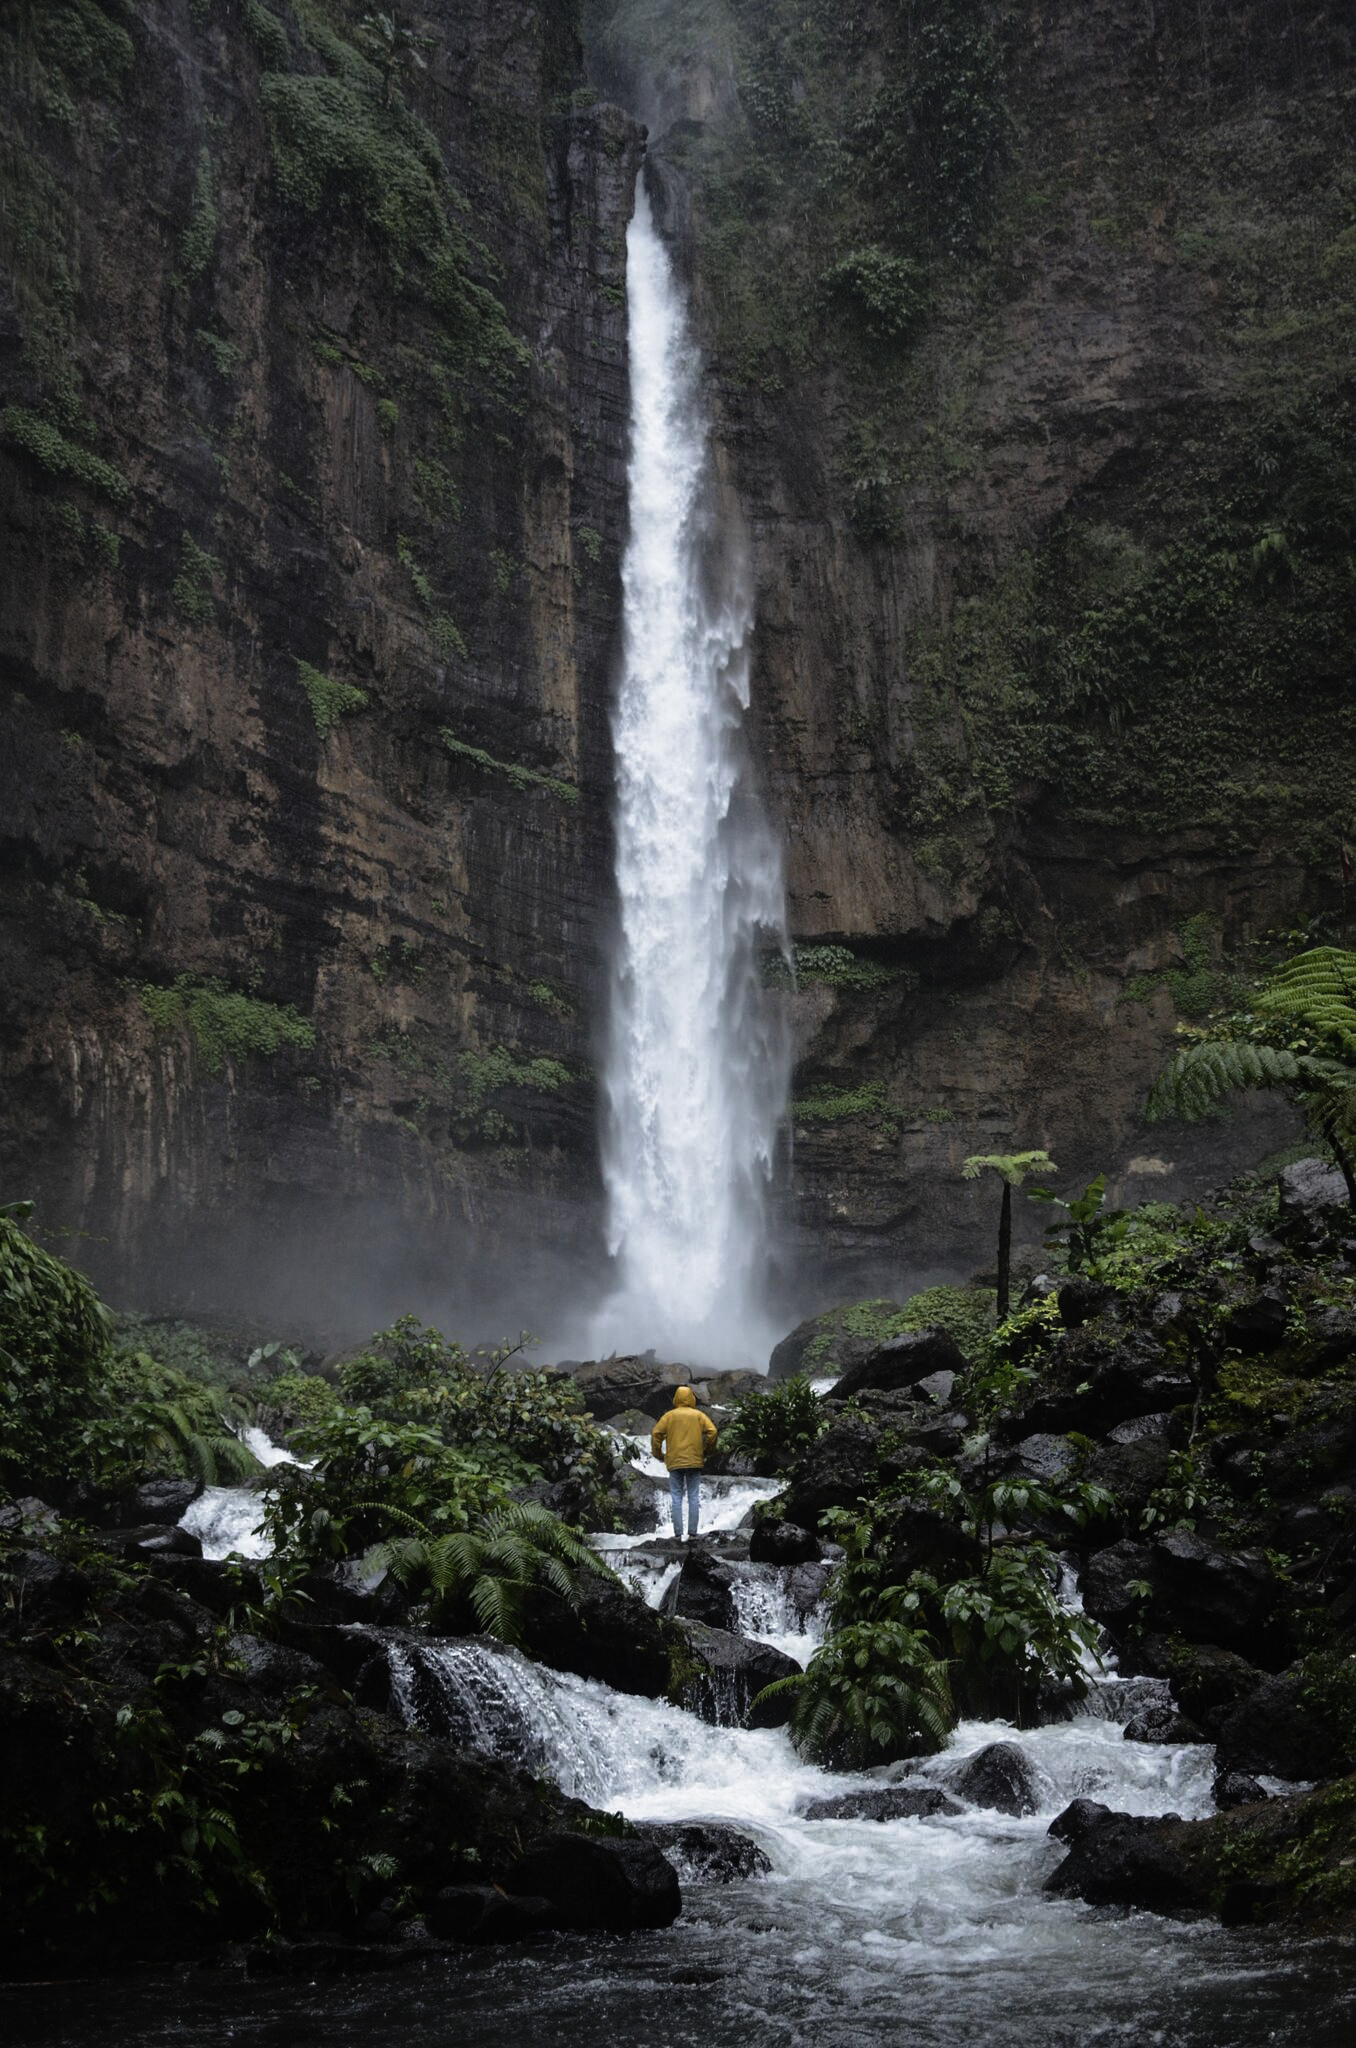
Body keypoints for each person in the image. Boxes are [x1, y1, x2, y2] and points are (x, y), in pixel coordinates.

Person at [650, 1385, 718, 1542]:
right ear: (691, 1398)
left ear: (676, 1399)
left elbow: (656, 1434)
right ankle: (693, 1534)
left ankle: (677, 1535)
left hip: (674, 1462)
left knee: (676, 1497)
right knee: (693, 1496)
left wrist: (659, 1454)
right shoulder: (698, 1415)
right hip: (694, 1461)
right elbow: (713, 1431)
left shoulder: (669, 1416)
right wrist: (707, 1450)